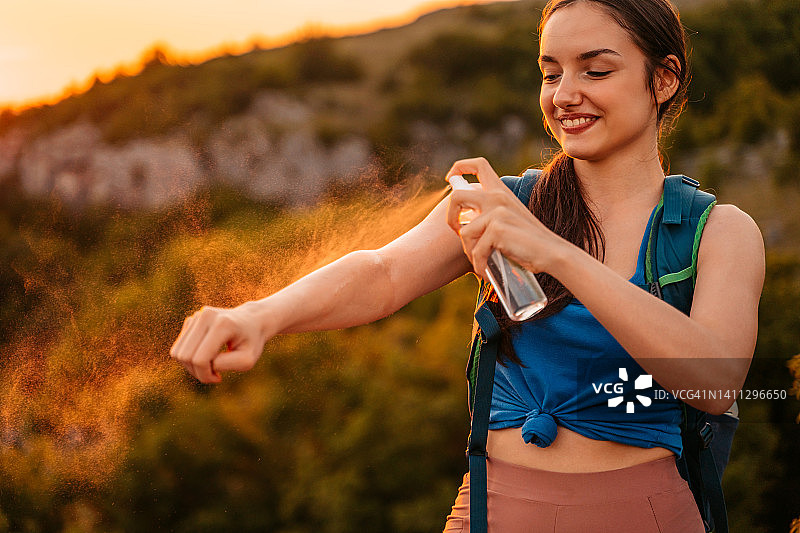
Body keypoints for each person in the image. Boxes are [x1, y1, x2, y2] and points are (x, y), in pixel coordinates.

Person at [170, 0, 765, 530]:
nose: (564, 94)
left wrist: (556, 253)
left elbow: (713, 386)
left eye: (596, 71)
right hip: (492, 510)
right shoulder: (505, 203)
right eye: (550, 73)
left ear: (663, 79)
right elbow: (382, 274)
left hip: (646, 516)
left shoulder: (719, 232)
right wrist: (260, 315)